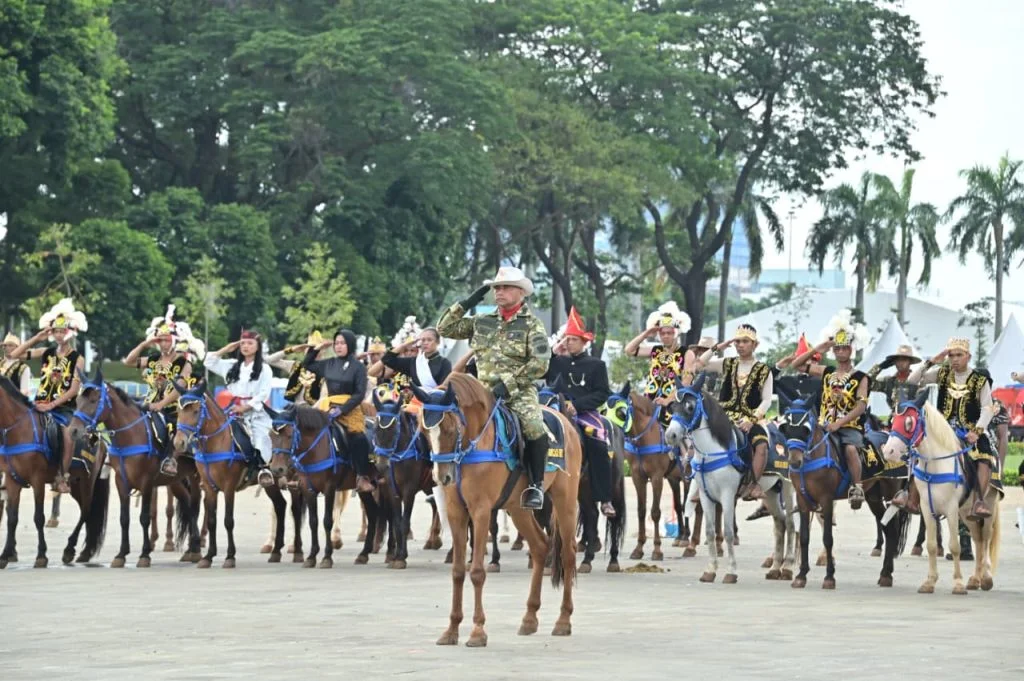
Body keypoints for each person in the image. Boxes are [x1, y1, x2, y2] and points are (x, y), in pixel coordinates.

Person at [436, 266, 551, 510]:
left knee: (534, 426)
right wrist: (466, 303)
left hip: (517, 393)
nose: (498, 292)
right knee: (447, 423)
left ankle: (535, 485)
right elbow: (444, 329)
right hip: (479, 393)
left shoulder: (533, 325)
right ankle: (451, 477)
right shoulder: (482, 320)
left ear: (521, 293)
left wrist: (507, 385)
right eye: (496, 288)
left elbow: (540, 364)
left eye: (505, 287)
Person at [900, 337, 998, 520]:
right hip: (942, 429)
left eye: (959, 355)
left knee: (985, 455)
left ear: (968, 356)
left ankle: (979, 501)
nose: (954, 359)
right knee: (918, 448)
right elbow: (912, 381)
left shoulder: (980, 379)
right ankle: (911, 497)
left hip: (970, 429)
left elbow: (987, 407)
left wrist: (976, 432)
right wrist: (932, 361)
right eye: (951, 355)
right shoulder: (942, 372)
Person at [791, 309, 872, 509]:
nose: (840, 352)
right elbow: (797, 365)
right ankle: (804, 488)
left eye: (844, 348)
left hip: (849, 426)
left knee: (851, 449)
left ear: (851, 350)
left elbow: (861, 406)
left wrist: (839, 424)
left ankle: (857, 487)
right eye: (837, 349)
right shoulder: (826, 372)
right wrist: (819, 347)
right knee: (800, 443)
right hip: (823, 424)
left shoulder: (861, 376)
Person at [9, 298, 89, 493]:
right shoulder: (46, 351)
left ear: (69, 332)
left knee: (68, 435)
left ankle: (63, 476)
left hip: (63, 408)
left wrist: (51, 406)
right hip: (38, 404)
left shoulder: (77, 359)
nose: (59, 334)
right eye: (56, 331)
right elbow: (15, 355)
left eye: (62, 331)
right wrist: (37, 338)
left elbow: (73, 390)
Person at [544, 306, 615, 517]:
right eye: (566, 338)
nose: (568, 342)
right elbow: (540, 370)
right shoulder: (557, 362)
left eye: (573, 339)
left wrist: (578, 405)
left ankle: (605, 499)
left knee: (598, 444)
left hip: (584, 413)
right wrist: (553, 352)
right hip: (556, 409)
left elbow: (603, 393)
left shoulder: (596, 365)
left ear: (584, 341)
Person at [696, 324, 774, 500]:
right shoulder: (727, 363)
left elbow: (767, 400)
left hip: (750, 419)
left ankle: (753, 485)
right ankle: (697, 483)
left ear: (755, 345)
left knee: (761, 445)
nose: (740, 345)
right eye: (737, 341)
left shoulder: (764, 370)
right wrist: (718, 347)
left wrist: (751, 420)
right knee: (698, 435)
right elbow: (699, 365)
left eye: (745, 341)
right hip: (723, 417)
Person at [122, 305, 203, 475]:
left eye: (166, 340)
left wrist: (161, 404)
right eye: (160, 340)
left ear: (174, 340)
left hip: (172, 408)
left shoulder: (184, 363)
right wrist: (145, 344)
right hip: (148, 403)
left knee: (171, 429)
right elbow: (128, 362)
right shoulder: (152, 359)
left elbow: (179, 388)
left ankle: (170, 460)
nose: (163, 343)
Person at [303, 329, 375, 493]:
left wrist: (342, 409)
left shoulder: (358, 367)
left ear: (350, 344)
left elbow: (359, 393)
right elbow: (307, 364)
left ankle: (362, 476)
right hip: (327, 406)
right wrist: (318, 348)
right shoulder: (329, 363)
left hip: (350, 408)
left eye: (342, 343)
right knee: (307, 433)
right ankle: (302, 473)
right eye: (336, 343)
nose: (339, 346)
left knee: (358, 438)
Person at [204, 330, 275, 487]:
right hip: (232, 410)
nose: (245, 346)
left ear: (258, 347)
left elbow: (263, 393)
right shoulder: (230, 366)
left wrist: (246, 407)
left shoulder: (265, 369)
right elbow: (208, 362)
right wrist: (226, 349)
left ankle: (262, 468)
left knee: (260, 439)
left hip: (255, 413)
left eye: (250, 343)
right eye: (242, 343)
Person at [624, 302, 693, 417]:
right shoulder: (655, 350)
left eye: (669, 333)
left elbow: (686, 382)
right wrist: (646, 334)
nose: (665, 336)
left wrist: (668, 400)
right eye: (662, 333)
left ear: (676, 333)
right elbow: (629, 350)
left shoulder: (687, 353)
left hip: (674, 405)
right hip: (650, 402)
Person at [268, 330, 325, 407]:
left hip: (316, 409)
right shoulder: (295, 366)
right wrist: (291, 350)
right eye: (310, 348)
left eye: (317, 348)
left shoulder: (327, 368)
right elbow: (269, 360)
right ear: (304, 350)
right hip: (296, 408)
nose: (314, 351)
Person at [866, 344, 921, 418]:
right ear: (894, 362)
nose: (900, 363)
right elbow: (866, 383)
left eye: (904, 360)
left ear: (910, 362)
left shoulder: (918, 380)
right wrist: (879, 367)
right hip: (894, 420)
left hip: (913, 420)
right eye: (898, 360)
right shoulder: (888, 381)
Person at [0, 333, 32, 397]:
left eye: (10, 345)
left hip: (11, 403)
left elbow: (24, 391)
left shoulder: (23, 368)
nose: (6, 347)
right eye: (5, 345)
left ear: (18, 348)